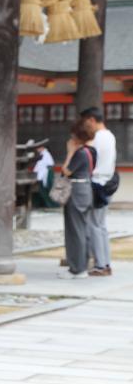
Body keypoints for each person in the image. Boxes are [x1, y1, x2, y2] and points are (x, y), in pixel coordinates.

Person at [61, 116, 99, 281]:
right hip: (86, 189)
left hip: (76, 190)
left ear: (77, 136)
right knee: (83, 229)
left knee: (74, 230)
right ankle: (82, 265)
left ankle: (77, 269)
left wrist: (70, 152)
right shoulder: (91, 151)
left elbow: (66, 171)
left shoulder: (80, 153)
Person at [84, 107, 118, 276]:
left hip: (98, 183)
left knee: (94, 225)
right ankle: (105, 263)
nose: (86, 126)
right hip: (107, 183)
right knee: (101, 225)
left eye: (86, 122)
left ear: (91, 119)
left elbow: (91, 161)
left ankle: (100, 265)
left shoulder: (98, 138)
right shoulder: (109, 135)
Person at [32, 144, 55, 209]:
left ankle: (51, 205)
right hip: (44, 174)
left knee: (47, 190)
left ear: (42, 147)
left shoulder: (45, 154)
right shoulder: (42, 154)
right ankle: (45, 204)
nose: (37, 149)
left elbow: (42, 166)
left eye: (38, 148)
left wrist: (38, 176)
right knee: (42, 190)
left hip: (46, 174)